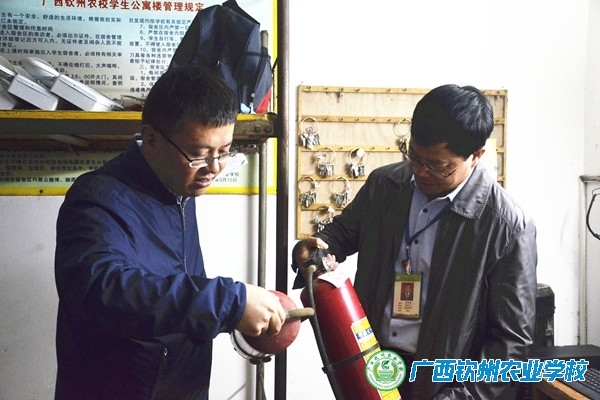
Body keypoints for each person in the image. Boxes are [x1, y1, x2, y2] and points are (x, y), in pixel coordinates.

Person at [54, 65, 286, 400]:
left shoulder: (177, 188)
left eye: (224, 152)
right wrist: (227, 302)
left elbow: (172, 297)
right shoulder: (98, 198)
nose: (214, 168)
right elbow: (101, 290)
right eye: (199, 155)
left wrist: (236, 314)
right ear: (151, 139)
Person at [292, 84, 537, 399]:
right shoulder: (385, 186)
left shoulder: (507, 227)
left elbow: (511, 342)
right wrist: (312, 249)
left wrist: (460, 397)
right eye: (415, 157)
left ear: (476, 155)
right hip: (373, 362)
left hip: (445, 383)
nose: (421, 172)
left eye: (438, 166)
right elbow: (338, 236)